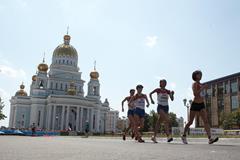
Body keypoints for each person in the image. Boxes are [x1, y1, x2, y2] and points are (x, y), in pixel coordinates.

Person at [181, 70, 219, 144]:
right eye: (199, 74)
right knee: (190, 122)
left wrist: (206, 90)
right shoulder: (194, 84)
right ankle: (184, 135)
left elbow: (202, 94)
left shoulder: (202, 84)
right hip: (195, 104)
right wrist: (203, 88)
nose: (201, 75)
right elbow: (195, 94)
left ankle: (210, 138)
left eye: (201, 74)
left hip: (201, 104)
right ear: (195, 76)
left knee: (206, 121)